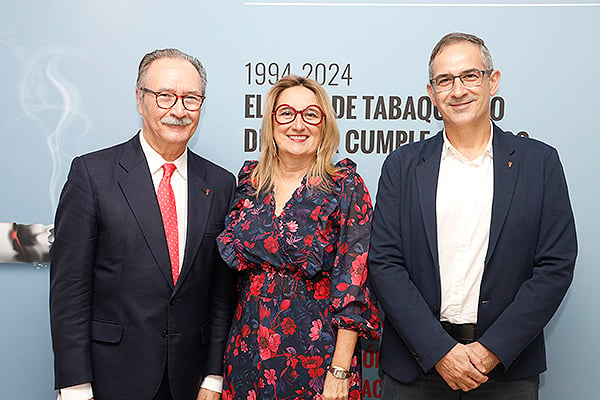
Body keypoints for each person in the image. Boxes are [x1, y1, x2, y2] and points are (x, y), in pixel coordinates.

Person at [368, 32, 577, 399]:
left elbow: (555, 266)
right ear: (431, 94)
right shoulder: (402, 165)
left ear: (492, 81)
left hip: (505, 371)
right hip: (415, 368)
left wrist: (490, 350)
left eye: (470, 76)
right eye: (444, 80)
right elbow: (385, 263)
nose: (458, 90)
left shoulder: (539, 163)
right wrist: (440, 352)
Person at [49, 48, 237, 400]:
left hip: (189, 381)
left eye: (191, 98)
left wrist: (213, 376)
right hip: (109, 379)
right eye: (165, 96)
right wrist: (75, 386)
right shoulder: (92, 175)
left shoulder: (221, 184)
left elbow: (221, 294)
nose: (178, 110)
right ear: (140, 99)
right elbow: (70, 291)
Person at [216, 75, 380, 400]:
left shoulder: (345, 186)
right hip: (246, 350)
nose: (298, 124)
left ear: (324, 125)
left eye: (310, 114)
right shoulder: (249, 181)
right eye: (287, 113)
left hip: (315, 355)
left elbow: (354, 282)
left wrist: (339, 370)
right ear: (271, 123)